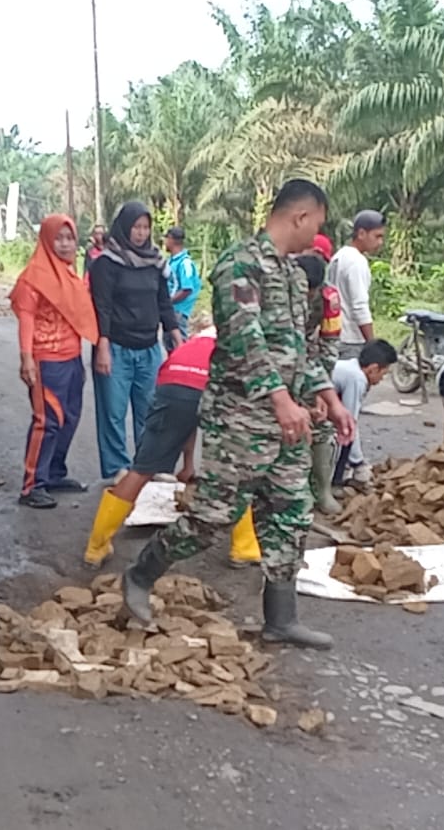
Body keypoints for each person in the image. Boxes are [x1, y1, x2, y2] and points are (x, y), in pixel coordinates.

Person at [120, 179, 355, 650]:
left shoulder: (291, 275)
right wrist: (280, 398)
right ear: (300, 217)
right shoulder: (239, 264)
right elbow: (245, 339)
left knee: (291, 511)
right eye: (318, 225)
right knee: (212, 516)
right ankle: (140, 575)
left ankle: (281, 618)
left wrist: (326, 394)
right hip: (242, 420)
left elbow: (297, 348)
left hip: (285, 422)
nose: (318, 237)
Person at [82, 325, 261, 570]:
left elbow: (186, 414)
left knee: (142, 469)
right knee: (235, 468)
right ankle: (244, 548)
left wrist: (187, 465)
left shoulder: (198, 340)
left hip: (172, 384)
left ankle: (96, 547)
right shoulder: (247, 338)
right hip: (213, 388)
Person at [88, 202, 183, 479]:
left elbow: (163, 301)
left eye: (145, 228)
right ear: (124, 227)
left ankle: (147, 466)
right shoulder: (107, 262)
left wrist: (174, 332)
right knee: (113, 412)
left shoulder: (154, 262)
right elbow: (101, 306)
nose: (141, 233)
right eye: (136, 227)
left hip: (148, 348)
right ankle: (118, 468)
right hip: (115, 347)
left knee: (150, 411)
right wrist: (102, 346)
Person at [12, 215, 99, 510]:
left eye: (69, 238)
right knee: (47, 422)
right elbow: (26, 319)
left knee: (70, 419)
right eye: (58, 238)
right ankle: (32, 485)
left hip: (72, 359)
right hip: (46, 361)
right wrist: (27, 360)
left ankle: (54, 474)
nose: (64, 244)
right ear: (47, 240)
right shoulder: (32, 277)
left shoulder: (70, 276)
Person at [296, 252, 345, 515]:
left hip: (309, 360)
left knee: (321, 424)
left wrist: (321, 393)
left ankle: (323, 491)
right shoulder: (273, 294)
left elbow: (329, 344)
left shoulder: (328, 300)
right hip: (274, 365)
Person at [328, 340, 399, 497]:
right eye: (383, 374)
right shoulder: (356, 378)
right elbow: (349, 423)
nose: (381, 380)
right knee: (345, 435)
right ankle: (334, 483)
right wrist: (359, 463)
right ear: (373, 369)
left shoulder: (351, 367)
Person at [328, 209, 386, 362]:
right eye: (377, 236)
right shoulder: (356, 261)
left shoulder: (340, 256)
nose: (380, 243)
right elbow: (359, 306)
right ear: (361, 234)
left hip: (334, 334)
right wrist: (371, 343)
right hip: (350, 339)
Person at [162, 226, 202, 351]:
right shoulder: (172, 261)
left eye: (166, 238)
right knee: (169, 345)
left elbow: (187, 289)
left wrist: (169, 301)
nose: (164, 242)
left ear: (171, 239)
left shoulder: (185, 263)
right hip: (171, 310)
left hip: (178, 311)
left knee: (178, 347)